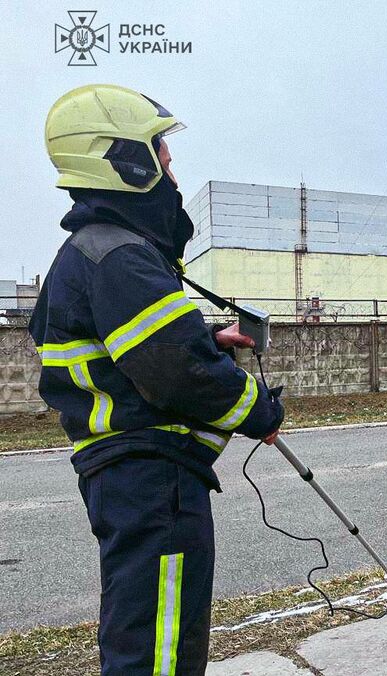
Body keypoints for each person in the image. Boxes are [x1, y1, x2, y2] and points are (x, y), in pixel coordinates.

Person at [29, 84, 284, 676]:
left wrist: (205, 340)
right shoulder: (120, 256)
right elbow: (177, 375)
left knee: (145, 621)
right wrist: (259, 411)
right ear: (122, 159)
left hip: (130, 475)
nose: (171, 166)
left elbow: (140, 354)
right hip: (150, 476)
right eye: (160, 152)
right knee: (159, 640)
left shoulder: (95, 252)